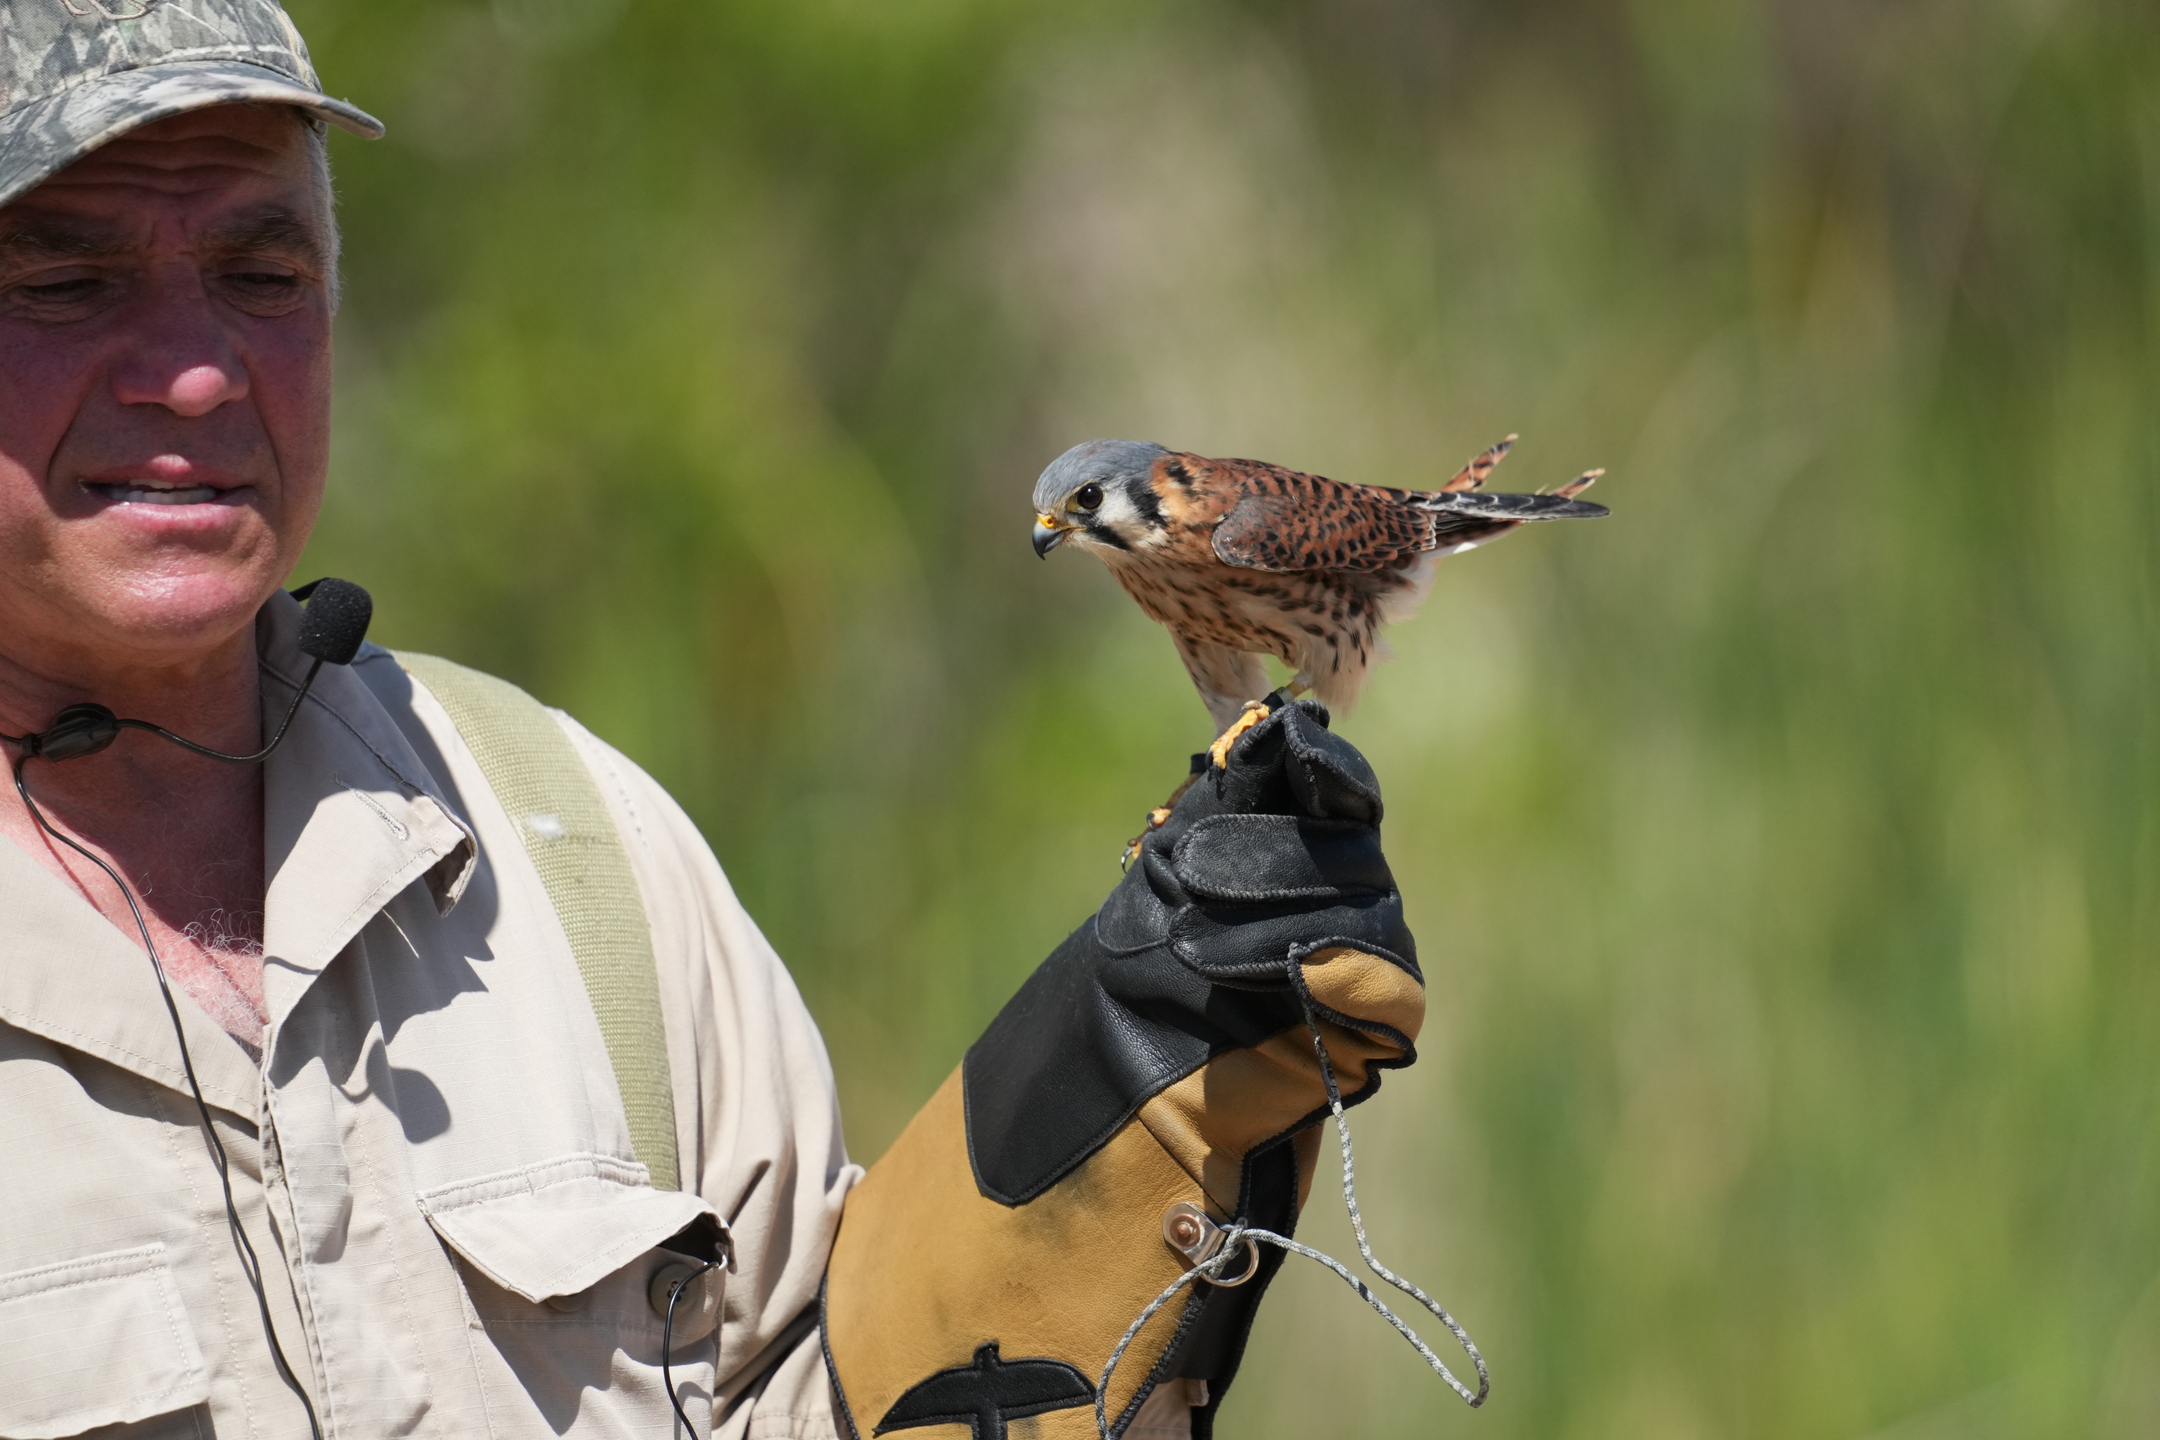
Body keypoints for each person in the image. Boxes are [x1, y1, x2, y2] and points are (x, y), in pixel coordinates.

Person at [0, 5, 1438, 1439]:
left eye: (262, 274)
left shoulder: (570, 849)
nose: (194, 370)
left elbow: (818, 1397)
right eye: (68, 282)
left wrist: (1106, 1136)